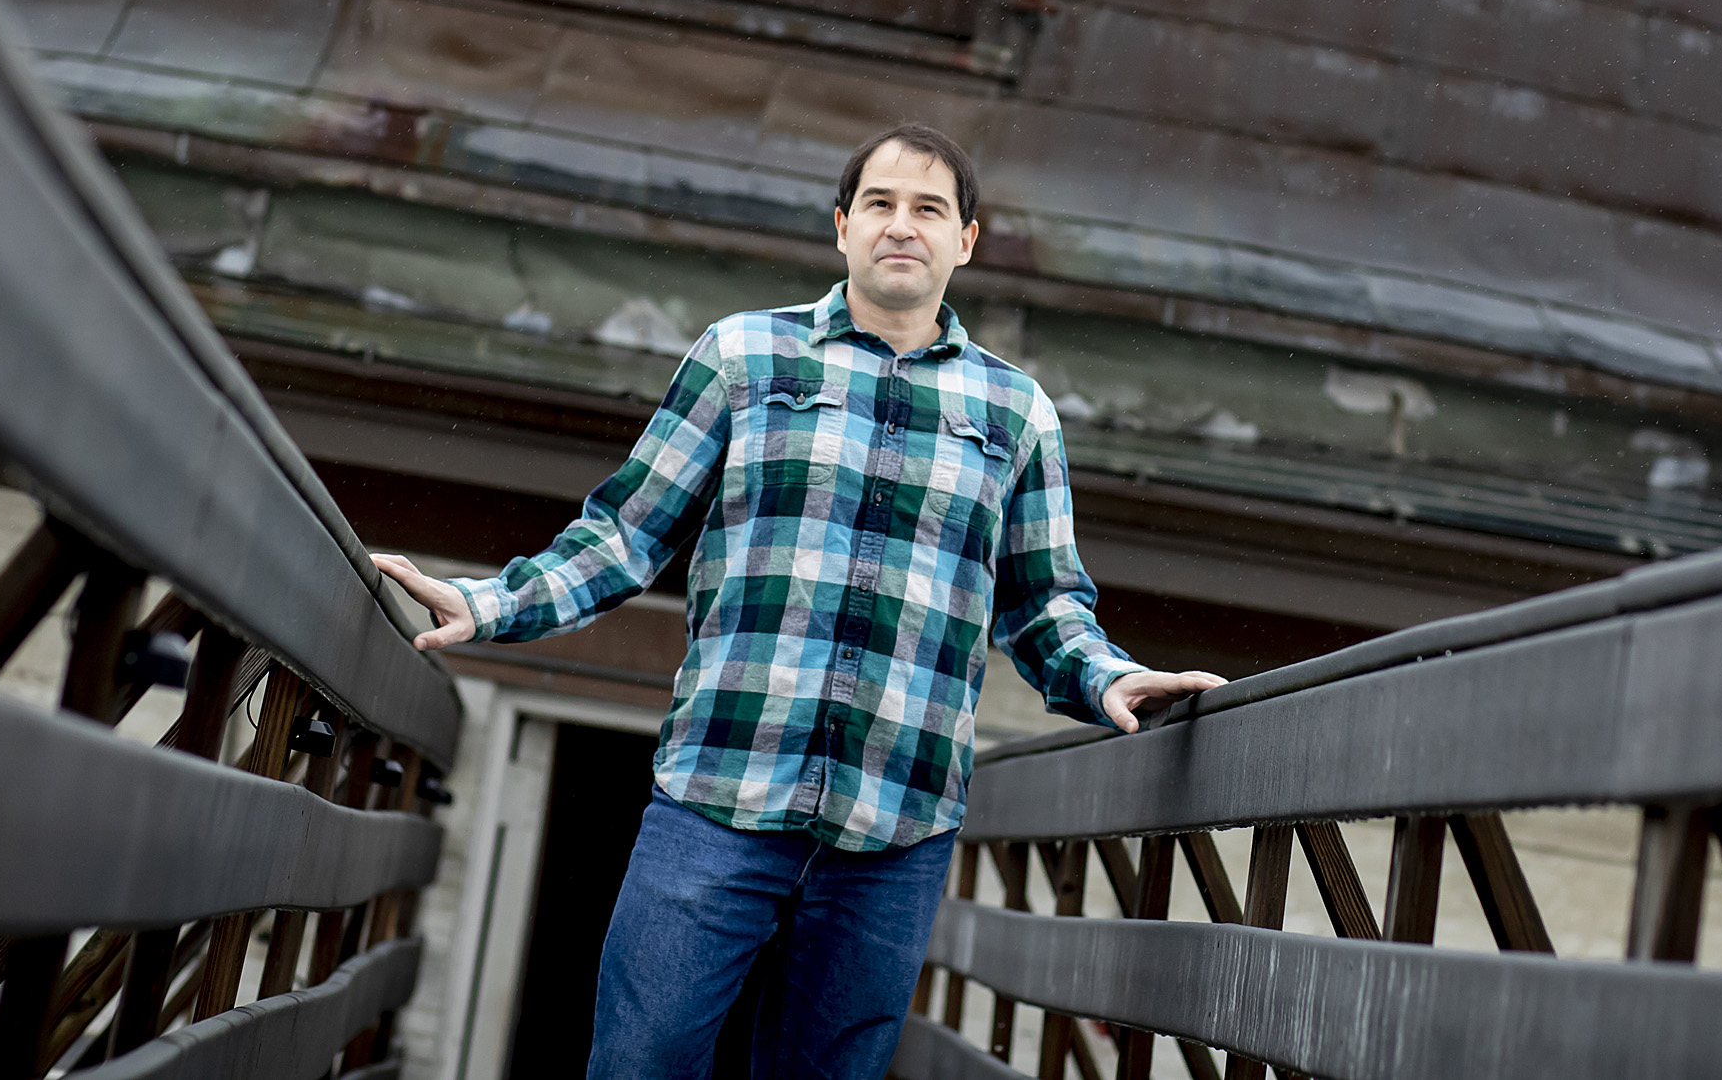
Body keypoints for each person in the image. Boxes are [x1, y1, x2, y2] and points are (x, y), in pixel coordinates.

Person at [376, 123, 1224, 1080]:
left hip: (896, 824)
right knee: (640, 1059)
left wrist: (1107, 676)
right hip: (720, 792)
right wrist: (490, 603)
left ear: (966, 241)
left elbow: (1043, 603)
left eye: (929, 209)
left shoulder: (1016, 410)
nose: (902, 225)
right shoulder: (742, 354)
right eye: (880, 204)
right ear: (842, 227)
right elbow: (626, 534)